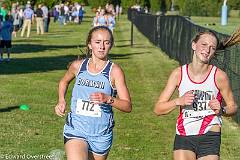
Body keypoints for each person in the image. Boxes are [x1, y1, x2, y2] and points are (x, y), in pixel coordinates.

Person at [154, 31, 238, 160]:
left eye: (212, 48)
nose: (207, 50)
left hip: (210, 134)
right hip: (184, 133)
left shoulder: (219, 76)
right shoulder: (178, 74)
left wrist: (222, 109)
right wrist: (178, 101)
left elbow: (233, 107)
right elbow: (158, 109)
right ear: (194, 45)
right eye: (204, 44)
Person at [55, 26, 132, 160]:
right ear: (90, 45)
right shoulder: (78, 66)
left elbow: (127, 106)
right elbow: (63, 82)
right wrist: (61, 100)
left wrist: (108, 99)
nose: (102, 46)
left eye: (106, 42)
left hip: (101, 134)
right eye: (98, 42)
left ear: (110, 45)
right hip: (76, 129)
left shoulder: (114, 71)